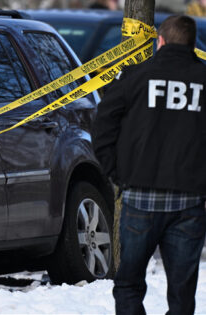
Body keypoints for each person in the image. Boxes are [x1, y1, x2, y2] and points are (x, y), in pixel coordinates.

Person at [92, 15, 206, 315]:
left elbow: (103, 124)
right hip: (190, 200)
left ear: (161, 41)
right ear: (193, 44)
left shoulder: (136, 77)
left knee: (128, 284)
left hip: (140, 197)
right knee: (182, 292)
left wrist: (115, 171)